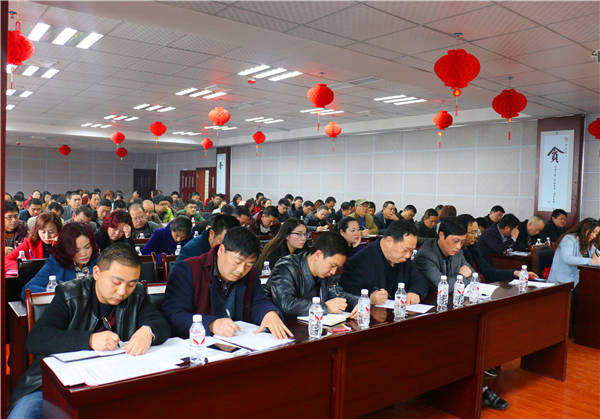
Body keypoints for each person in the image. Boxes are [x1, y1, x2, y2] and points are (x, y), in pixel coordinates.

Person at [8, 244, 171, 419]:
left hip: (110, 383)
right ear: (97, 273)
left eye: (131, 284)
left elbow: (160, 322)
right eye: (116, 282)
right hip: (54, 384)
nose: (123, 291)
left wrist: (148, 330)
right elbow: (37, 339)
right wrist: (90, 340)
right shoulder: (70, 294)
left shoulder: (136, 294)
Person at [162, 227, 292, 339]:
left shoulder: (250, 273)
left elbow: (258, 301)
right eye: (237, 262)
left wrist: (269, 313)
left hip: (239, 345)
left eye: (248, 264)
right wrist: (211, 324)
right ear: (221, 250)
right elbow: (174, 315)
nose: (241, 270)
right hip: (199, 347)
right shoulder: (188, 270)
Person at [266, 232, 358, 317]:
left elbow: (337, 295)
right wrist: (324, 307)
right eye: (333, 266)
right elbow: (286, 304)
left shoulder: (324, 273)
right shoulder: (286, 267)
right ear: (318, 255)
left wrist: (358, 303)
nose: (333, 272)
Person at [341, 220, 428, 305]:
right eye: (406, 250)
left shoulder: (403, 258)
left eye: (412, 251)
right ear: (389, 241)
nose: (408, 256)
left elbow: (420, 279)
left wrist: (415, 292)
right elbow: (347, 295)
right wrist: (370, 299)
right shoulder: (358, 262)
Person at [21, 222, 98, 299]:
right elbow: (27, 290)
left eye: (87, 247)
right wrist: (60, 293)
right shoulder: (55, 264)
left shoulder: (99, 262)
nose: (83, 254)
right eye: (76, 250)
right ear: (66, 249)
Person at [457, 214, 537, 283]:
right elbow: (499, 249)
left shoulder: (473, 247)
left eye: (476, 232)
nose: (476, 236)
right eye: (472, 232)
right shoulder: (457, 252)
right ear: (461, 232)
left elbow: (488, 271)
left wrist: (516, 273)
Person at [414, 217, 473, 290]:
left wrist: (457, 280)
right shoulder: (426, 256)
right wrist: (462, 276)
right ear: (441, 235)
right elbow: (444, 287)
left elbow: (475, 278)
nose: (459, 246)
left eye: (462, 242)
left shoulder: (457, 251)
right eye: (455, 241)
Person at [548, 218, 600, 287]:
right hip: (561, 282)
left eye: (596, 234)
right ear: (585, 228)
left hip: (577, 280)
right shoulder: (569, 239)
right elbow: (568, 258)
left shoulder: (587, 242)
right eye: (593, 232)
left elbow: (597, 254)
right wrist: (591, 261)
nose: (594, 236)